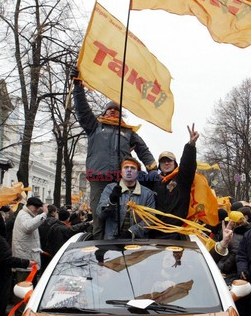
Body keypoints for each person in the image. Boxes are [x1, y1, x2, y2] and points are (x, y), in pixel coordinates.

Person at [71, 66, 157, 239]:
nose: (112, 111)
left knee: (120, 213)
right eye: (109, 109)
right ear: (104, 112)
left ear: (120, 115)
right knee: (99, 214)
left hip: (120, 179)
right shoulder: (94, 126)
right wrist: (78, 86)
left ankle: (120, 244)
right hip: (99, 179)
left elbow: (143, 149)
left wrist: (152, 168)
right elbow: (82, 109)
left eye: (116, 110)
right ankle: (99, 250)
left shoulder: (128, 132)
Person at [150, 124, 199, 238]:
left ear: (175, 164)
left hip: (176, 233)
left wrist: (190, 146)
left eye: (169, 161)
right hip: (155, 232)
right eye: (163, 161)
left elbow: (188, 165)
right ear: (159, 165)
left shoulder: (182, 179)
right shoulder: (154, 181)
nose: (166, 163)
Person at [97, 156, 155, 239]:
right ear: (121, 172)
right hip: (112, 242)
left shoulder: (147, 194)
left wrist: (132, 231)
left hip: (137, 243)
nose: (129, 170)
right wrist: (111, 201)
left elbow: (150, 219)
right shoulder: (110, 189)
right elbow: (100, 214)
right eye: (126, 167)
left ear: (138, 173)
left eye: (133, 168)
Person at [12, 197, 48, 316]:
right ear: (31, 207)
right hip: (25, 260)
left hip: (28, 258)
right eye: (37, 210)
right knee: (23, 291)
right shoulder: (24, 216)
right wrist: (44, 214)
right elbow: (29, 227)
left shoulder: (27, 215)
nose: (37, 212)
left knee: (28, 291)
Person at [39, 204, 58, 274]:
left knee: (43, 268)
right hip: (52, 249)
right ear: (53, 213)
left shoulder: (41, 220)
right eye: (56, 212)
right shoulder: (56, 222)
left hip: (42, 248)